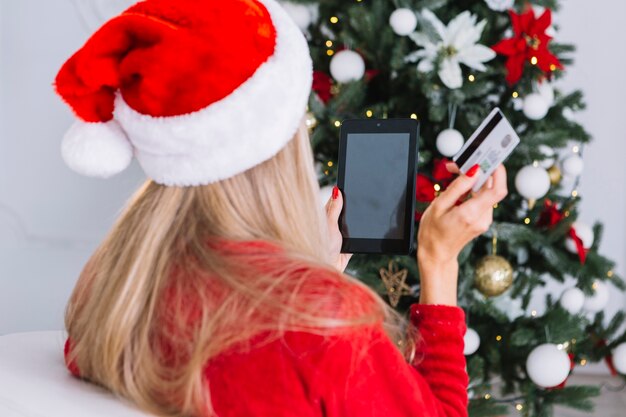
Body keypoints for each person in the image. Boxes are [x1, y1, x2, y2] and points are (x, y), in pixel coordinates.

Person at [54, 1, 508, 416]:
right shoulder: (324, 326)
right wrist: (439, 259)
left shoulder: (116, 285)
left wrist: (315, 274)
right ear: (280, 141)